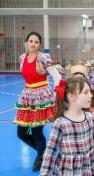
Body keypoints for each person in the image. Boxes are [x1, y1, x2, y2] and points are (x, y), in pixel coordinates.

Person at [40, 77, 94, 175]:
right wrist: (45, 173)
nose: (91, 95)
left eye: (90, 92)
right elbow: (50, 152)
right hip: (70, 170)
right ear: (72, 96)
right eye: (86, 92)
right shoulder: (60, 123)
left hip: (90, 166)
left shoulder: (90, 118)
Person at [13, 31, 62, 171]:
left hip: (42, 97)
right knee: (21, 133)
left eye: (36, 42)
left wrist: (54, 94)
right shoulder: (22, 57)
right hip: (27, 97)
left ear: (39, 44)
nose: (33, 44)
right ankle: (46, 153)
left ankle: (40, 157)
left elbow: (57, 77)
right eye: (31, 41)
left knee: (36, 132)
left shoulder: (44, 58)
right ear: (26, 42)